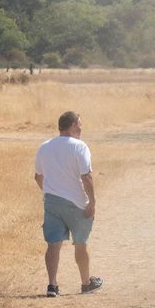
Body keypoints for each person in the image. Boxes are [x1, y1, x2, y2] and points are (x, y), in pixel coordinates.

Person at [34, 111, 103, 297]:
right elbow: (86, 177)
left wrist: (51, 191)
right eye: (79, 124)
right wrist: (92, 202)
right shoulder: (79, 147)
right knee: (80, 244)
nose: (81, 128)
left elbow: (38, 177)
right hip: (77, 204)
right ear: (72, 126)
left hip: (52, 203)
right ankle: (86, 283)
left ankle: (52, 285)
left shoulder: (44, 147)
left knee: (53, 245)